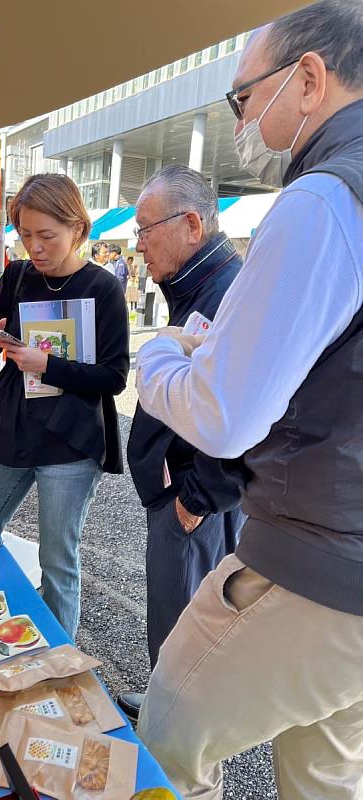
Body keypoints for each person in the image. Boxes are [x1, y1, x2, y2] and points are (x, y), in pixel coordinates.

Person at [135, 2, 363, 797]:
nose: (240, 119)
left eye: (243, 96)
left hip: (317, 555)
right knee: (325, 770)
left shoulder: (320, 202)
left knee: (168, 730)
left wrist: (160, 356)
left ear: (307, 79)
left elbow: (227, 414)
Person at [0, 174, 129, 639]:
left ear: (78, 229)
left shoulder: (102, 288)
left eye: (46, 236)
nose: (34, 247)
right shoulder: (17, 276)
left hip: (70, 439)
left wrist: (48, 365)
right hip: (11, 427)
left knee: (57, 560)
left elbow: (114, 377)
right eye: (25, 235)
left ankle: (60, 664)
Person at [117, 165, 245, 723]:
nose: (137, 243)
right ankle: (174, 711)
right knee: (184, 614)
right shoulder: (201, 284)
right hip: (185, 488)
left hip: (192, 493)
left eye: (146, 228)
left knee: (185, 619)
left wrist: (199, 496)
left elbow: (245, 408)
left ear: (192, 223)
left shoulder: (229, 293)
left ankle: (177, 729)